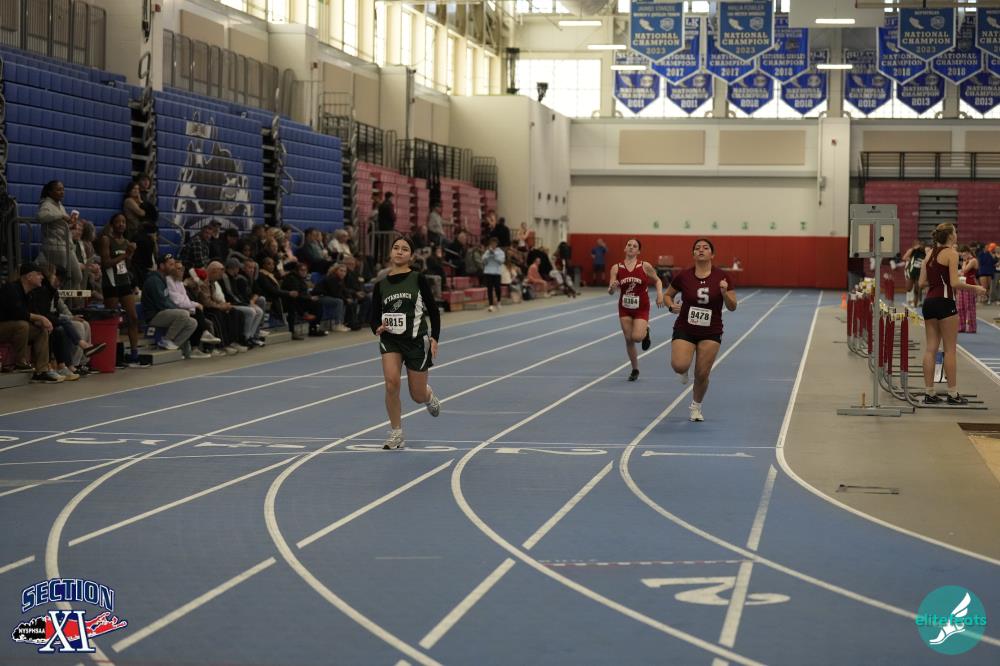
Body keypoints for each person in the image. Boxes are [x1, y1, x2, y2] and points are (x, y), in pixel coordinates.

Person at [370, 237, 442, 450]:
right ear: (390, 253)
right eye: (396, 248)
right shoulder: (380, 285)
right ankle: (396, 433)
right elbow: (373, 316)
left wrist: (435, 337)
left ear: (411, 256)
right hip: (390, 340)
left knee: (416, 395)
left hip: (416, 341)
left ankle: (427, 394)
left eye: (404, 249)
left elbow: (433, 310)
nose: (399, 252)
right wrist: (377, 327)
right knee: (391, 383)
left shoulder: (418, 279)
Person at [665, 238, 737, 422]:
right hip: (685, 327)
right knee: (679, 365)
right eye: (697, 248)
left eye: (705, 248)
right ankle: (684, 370)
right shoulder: (684, 276)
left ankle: (696, 407)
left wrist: (724, 293)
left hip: (711, 331)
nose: (701, 250)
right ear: (693, 254)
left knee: (702, 374)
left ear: (712, 254)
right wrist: (671, 305)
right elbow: (667, 295)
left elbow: (732, 306)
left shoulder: (722, 277)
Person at [918, 223, 987, 405]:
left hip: (929, 302)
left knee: (930, 348)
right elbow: (955, 283)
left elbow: (921, 283)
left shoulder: (929, 254)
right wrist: (975, 288)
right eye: (955, 231)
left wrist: (937, 282)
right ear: (950, 236)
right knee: (950, 350)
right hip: (945, 302)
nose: (956, 234)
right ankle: (953, 394)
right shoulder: (951, 253)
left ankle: (929, 393)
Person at [608, 239, 664, 382]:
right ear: (625, 248)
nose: (631, 247)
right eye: (629, 245)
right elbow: (610, 291)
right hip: (624, 308)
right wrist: (613, 288)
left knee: (637, 337)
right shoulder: (616, 268)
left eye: (635, 246)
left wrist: (659, 295)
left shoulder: (644, 266)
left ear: (638, 251)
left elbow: (658, 280)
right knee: (629, 339)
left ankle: (646, 332)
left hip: (641, 307)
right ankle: (635, 369)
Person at [0, 263, 62, 382]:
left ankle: (41, 371)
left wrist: (40, 321)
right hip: (3, 326)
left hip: (12, 328)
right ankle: (19, 363)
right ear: (29, 276)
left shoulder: (31, 293)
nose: (42, 277)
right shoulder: (11, 288)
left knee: (41, 330)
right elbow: (17, 313)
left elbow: (33, 313)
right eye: (38, 274)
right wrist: (40, 318)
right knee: (22, 325)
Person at [98, 213, 144, 367]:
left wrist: (130, 255)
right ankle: (113, 355)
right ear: (112, 224)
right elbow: (105, 263)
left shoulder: (127, 242)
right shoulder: (106, 240)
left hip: (124, 282)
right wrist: (125, 255)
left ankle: (134, 353)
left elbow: (127, 265)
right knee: (112, 319)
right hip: (110, 283)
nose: (121, 224)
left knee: (133, 317)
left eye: (123, 222)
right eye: (118, 222)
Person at [141, 254, 198, 351]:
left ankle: (174, 345)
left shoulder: (162, 278)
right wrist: (179, 309)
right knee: (183, 314)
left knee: (192, 323)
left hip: (164, 313)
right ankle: (166, 340)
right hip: (154, 316)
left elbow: (166, 301)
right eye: (170, 264)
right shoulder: (154, 280)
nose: (173, 267)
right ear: (162, 266)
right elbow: (162, 303)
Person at [36, 181, 83, 290]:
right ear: (50, 192)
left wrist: (70, 225)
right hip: (55, 247)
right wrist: (62, 215)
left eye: (63, 189)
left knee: (77, 277)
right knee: (61, 278)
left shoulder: (60, 205)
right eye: (58, 190)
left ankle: (64, 299)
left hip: (66, 246)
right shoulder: (46, 204)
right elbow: (41, 217)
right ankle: (58, 299)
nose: (62, 192)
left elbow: (60, 225)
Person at [957, 246, 978, 334]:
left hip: (970, 286)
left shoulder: (973, 260)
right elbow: (961, 272)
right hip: (962, 285)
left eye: (963, 253)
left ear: (967, 252)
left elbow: (964, 270)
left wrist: (964, 262)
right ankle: (961, 326)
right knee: (960, 307)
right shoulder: (966, 261)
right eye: (961, 253)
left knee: (969, 307)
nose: (961, 255)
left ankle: (972, 327)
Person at [901, 239, 927, 307]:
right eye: (921, 245)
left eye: (923, 245)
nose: (922, 246)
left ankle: (915, 304)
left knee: (917, 290)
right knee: (909, 289)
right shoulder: (913, 250)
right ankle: (911, 301)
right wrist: (911, 260)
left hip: (920, 273)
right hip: (912, 271)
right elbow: (904, 258)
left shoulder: (925, 252)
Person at [482, 237, 504, 312]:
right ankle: (490, 305)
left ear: (497, 244)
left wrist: (494, 255)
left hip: (496, 272)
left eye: (494, 243)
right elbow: (483, 261)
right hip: (488, 272)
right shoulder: (487, 251)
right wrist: (488, 256)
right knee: (489, 289)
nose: (493, 245)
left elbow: (501, 261)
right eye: (492, 243)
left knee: (497, 288)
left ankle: (499, 301)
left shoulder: (500, 252)